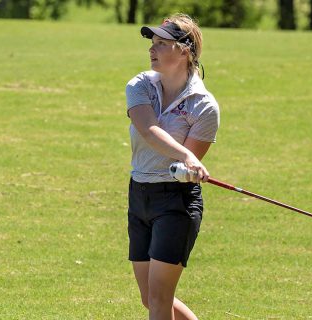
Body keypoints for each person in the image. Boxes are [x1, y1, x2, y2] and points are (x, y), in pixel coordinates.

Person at [125, 13, 220, 320]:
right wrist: (186, 157)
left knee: (158, 299)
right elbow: (148, 129)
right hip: (139, 195)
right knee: (149, 298)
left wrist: (189, 164)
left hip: (175, 203)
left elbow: (182, 173)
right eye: (152, 43)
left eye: (162, 43)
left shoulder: (204, 107)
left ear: (184, 51)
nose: (152, 49)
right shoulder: (140, 85)